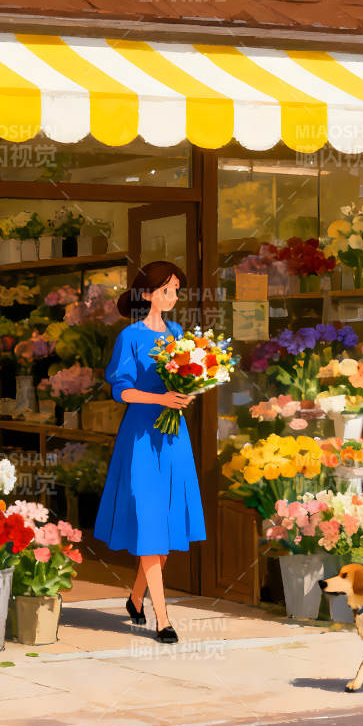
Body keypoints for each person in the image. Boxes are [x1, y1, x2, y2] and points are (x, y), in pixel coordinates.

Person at [96, 260, 208, 644]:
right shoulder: (130, 337)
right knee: (149, 519)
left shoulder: (178, 332)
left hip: (173, 436)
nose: (173, 296)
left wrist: (186, 393)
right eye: (166, 290)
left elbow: (188, 372)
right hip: (141, 437)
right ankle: (163, 619)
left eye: (176, 289)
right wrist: (160, 398)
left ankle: (135, 597)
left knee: (165, 519)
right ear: (147, 294)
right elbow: (120, 390)